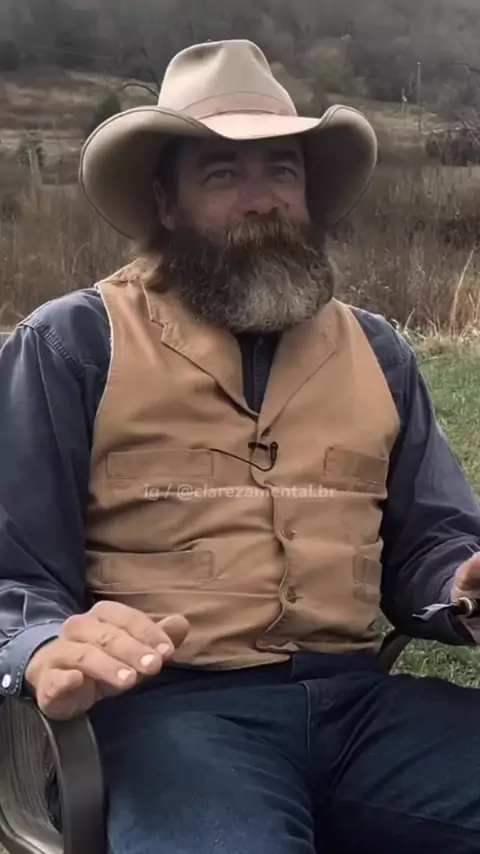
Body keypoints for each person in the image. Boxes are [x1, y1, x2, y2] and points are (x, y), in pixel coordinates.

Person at [1, 38, 480, 854]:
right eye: (223, 175)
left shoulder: (380, 353)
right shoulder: (73, 344)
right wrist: (44, 643)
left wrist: (461, 582)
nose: (262, 201)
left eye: (281, 171)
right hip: (166, 717)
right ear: (167, 203)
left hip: (362, 711)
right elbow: (13, 573)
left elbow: (430, 543)